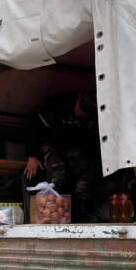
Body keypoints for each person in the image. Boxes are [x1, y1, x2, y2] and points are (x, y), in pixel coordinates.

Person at [23, 89, 102, 222]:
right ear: (78, 100)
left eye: (84, 113)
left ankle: (81, 211)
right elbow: (35, 127)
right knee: (57, 167)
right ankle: (50, 212)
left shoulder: (87, 116)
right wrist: (32, 155)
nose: (81, 114)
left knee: (85, 167)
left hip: (70, 146)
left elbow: (89, 140)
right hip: (49, 143)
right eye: (81, 110)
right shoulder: (58, 104)